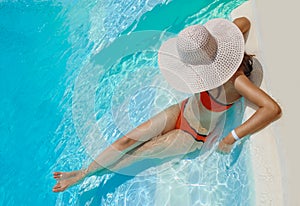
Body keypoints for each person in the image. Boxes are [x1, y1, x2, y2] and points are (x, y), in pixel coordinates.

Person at [52, 17, 281, 192]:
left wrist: (232, 136)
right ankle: (84, 172)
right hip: (181, 110)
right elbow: (243, 23)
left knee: (139, 153)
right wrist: (218, 44)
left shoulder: (236, 81)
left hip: (191, 135)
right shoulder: (220, 52)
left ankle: (88, 177)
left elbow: (272, 109)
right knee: (128, 139)